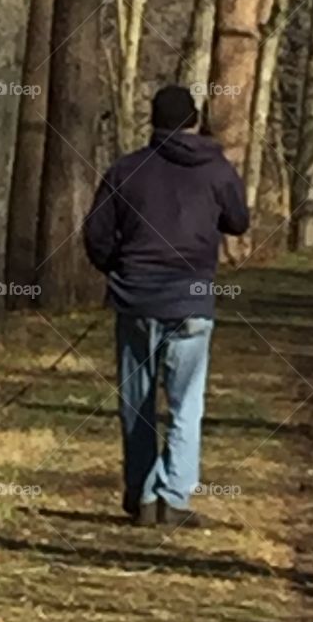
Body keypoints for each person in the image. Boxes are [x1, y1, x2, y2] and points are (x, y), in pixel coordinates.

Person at [83, 85, 249, 527]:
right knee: (185, 404)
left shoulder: (126, 170)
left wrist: (116, 268)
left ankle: (141, 493)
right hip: (191, 301)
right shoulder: (216, 169)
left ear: (153, 122)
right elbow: (239, 220)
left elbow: (95, 235)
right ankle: (172, 496)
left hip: (135, 300)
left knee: (136, 402)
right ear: (194, 120)